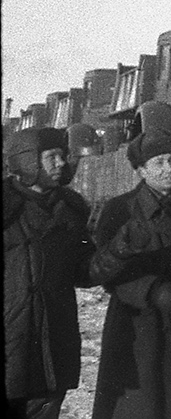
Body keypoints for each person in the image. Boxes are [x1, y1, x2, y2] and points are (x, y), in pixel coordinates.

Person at [87, 128, 171, 419]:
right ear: (141, 170)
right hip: (138, 327)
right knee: (143, 406)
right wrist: (151, 289)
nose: (169, 168)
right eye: (158, 162)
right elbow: (105, 272)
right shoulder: (119, 208)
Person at [4, 127, 95, 419]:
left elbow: (84, 272)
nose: (61, 164)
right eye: (52, 156)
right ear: (27, 161)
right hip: (11, 343)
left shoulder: (70, 209)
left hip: (53, 346)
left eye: (63, 156)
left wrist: (118, 252)